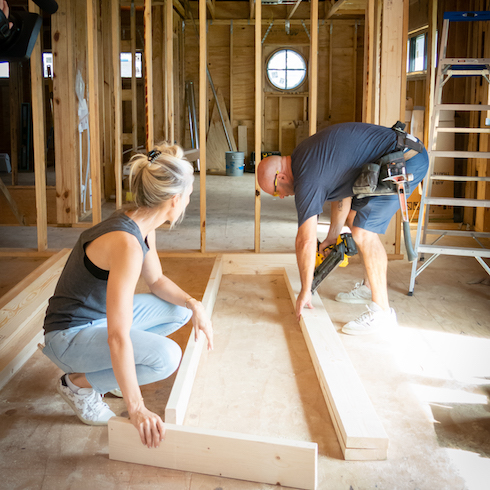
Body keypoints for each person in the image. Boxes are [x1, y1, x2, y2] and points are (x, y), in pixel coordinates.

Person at [42, 143, 213, 449]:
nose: (188, 201)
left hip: (97, 318)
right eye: (188, 195)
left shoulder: (141, 223)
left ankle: (113, 373)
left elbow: (157, 280)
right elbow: (118, 337)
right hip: (69, 335)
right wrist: (137, 409)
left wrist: (194, 303)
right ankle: (77, 386)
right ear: (174, 200)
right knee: (166, 357)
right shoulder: (126, 244)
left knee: (180, 311)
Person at [257, 122, 428, 335]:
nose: (281, 196)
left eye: (276, 192)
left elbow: (306, 240)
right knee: (355, 219)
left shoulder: (307, 177)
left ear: (280, 177)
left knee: (363, 232)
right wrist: (332, 236)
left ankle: (382, 313)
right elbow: (343, 194)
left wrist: (305, 290)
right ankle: (369, 287)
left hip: (406, 160)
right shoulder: (302, 157)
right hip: (398, 152)